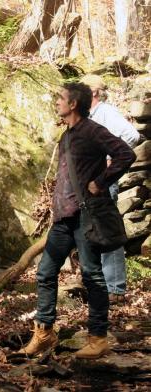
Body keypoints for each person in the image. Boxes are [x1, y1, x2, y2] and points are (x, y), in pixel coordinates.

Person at [19, 82, 136, 359]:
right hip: (63, 218)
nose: (56, 101)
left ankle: (98, 337)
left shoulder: (93, 130)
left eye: (61, 98)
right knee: (46, 272)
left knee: (92, 275)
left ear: (73, 104)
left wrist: (101, 181)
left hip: (86, 215)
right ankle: (45, 333)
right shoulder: (66, 136)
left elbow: (125, 153)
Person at [81, 74, 140, 304]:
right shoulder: (91, 116)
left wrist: (110, 162)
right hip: (93, 181)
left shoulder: (106, 113)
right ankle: (102, 285)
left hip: (104, 181)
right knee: (96, 230)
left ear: (94, 92)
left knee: (107, 231)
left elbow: (132, 135)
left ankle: (114, 287)